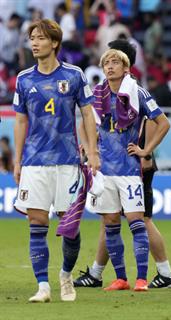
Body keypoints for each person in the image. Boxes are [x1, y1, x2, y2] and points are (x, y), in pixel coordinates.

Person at [74, 40, 171, 290]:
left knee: (138, 220)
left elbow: (161, 122)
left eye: (114, 61)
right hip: (103, 169)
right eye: (106, 62)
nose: (109, 66)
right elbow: (85, 122)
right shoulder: (97, 93)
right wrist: (88, 148)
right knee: (109, 222)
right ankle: (120, 278)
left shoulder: (137, 92)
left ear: (126, 65)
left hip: (130, 168)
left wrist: (146, 151)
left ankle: (144, 277)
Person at [13, 19, 100, 303]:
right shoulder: (24, 79)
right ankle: (43, 286)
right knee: (36, 223)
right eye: (32, 38)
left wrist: (93, 151)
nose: (34, 43)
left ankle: (65, 275)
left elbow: (87, 114)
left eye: (40, 38)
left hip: (67, 162)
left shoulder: (74, 75)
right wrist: (17, 161)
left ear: (54, 43)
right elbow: (21, 120)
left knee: (69, 227)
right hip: (35, 162)